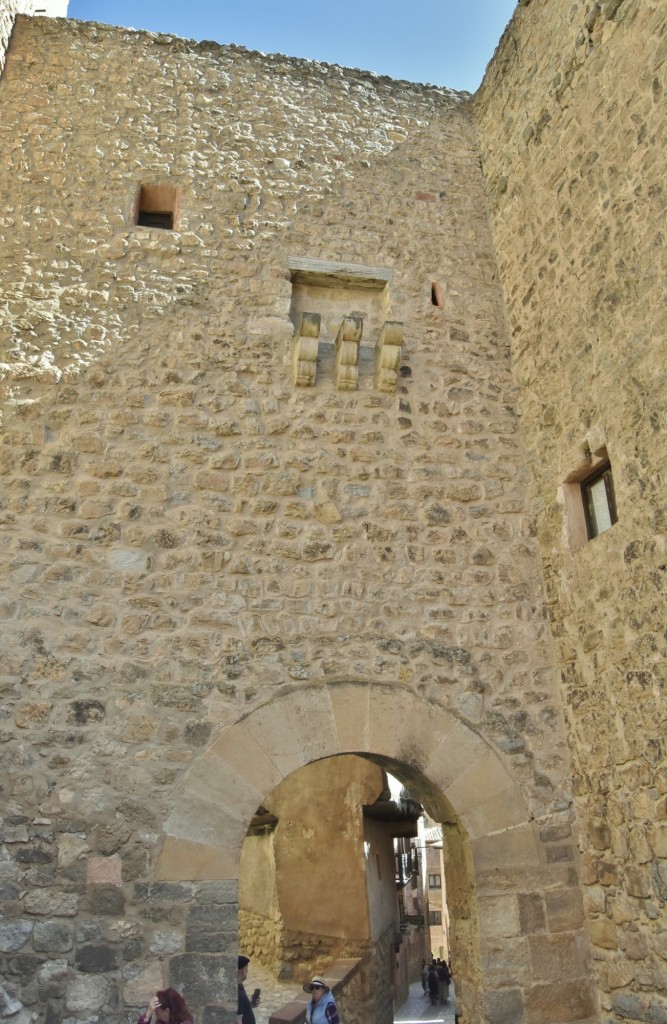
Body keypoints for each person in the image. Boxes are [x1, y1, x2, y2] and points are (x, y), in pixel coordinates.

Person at [237, 955, 256, 1024]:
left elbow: (241, 1009)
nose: (247, 971)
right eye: (246, 968)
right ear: (242, 971)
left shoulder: (239, 985)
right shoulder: (238, 993)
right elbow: (238, 1021)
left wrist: (250, 1004)